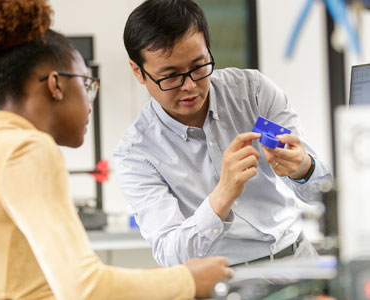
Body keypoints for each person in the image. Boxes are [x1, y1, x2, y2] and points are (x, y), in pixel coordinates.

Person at [0, 1, 233, 299]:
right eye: (87, 84)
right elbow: (86, 289)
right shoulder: (28, 149)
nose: (89, 102)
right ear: (56, 85)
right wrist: (188, 281)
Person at [114, 0, 333, 267]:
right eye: (170, 76)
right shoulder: (136, 153)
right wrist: (222, 196)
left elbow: (323, 192)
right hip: (225, 282)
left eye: (199, 66)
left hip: (299, 260)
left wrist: (303, 169)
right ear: (138, 71)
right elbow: (171, 254)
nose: (190, 86)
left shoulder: (253, 92)